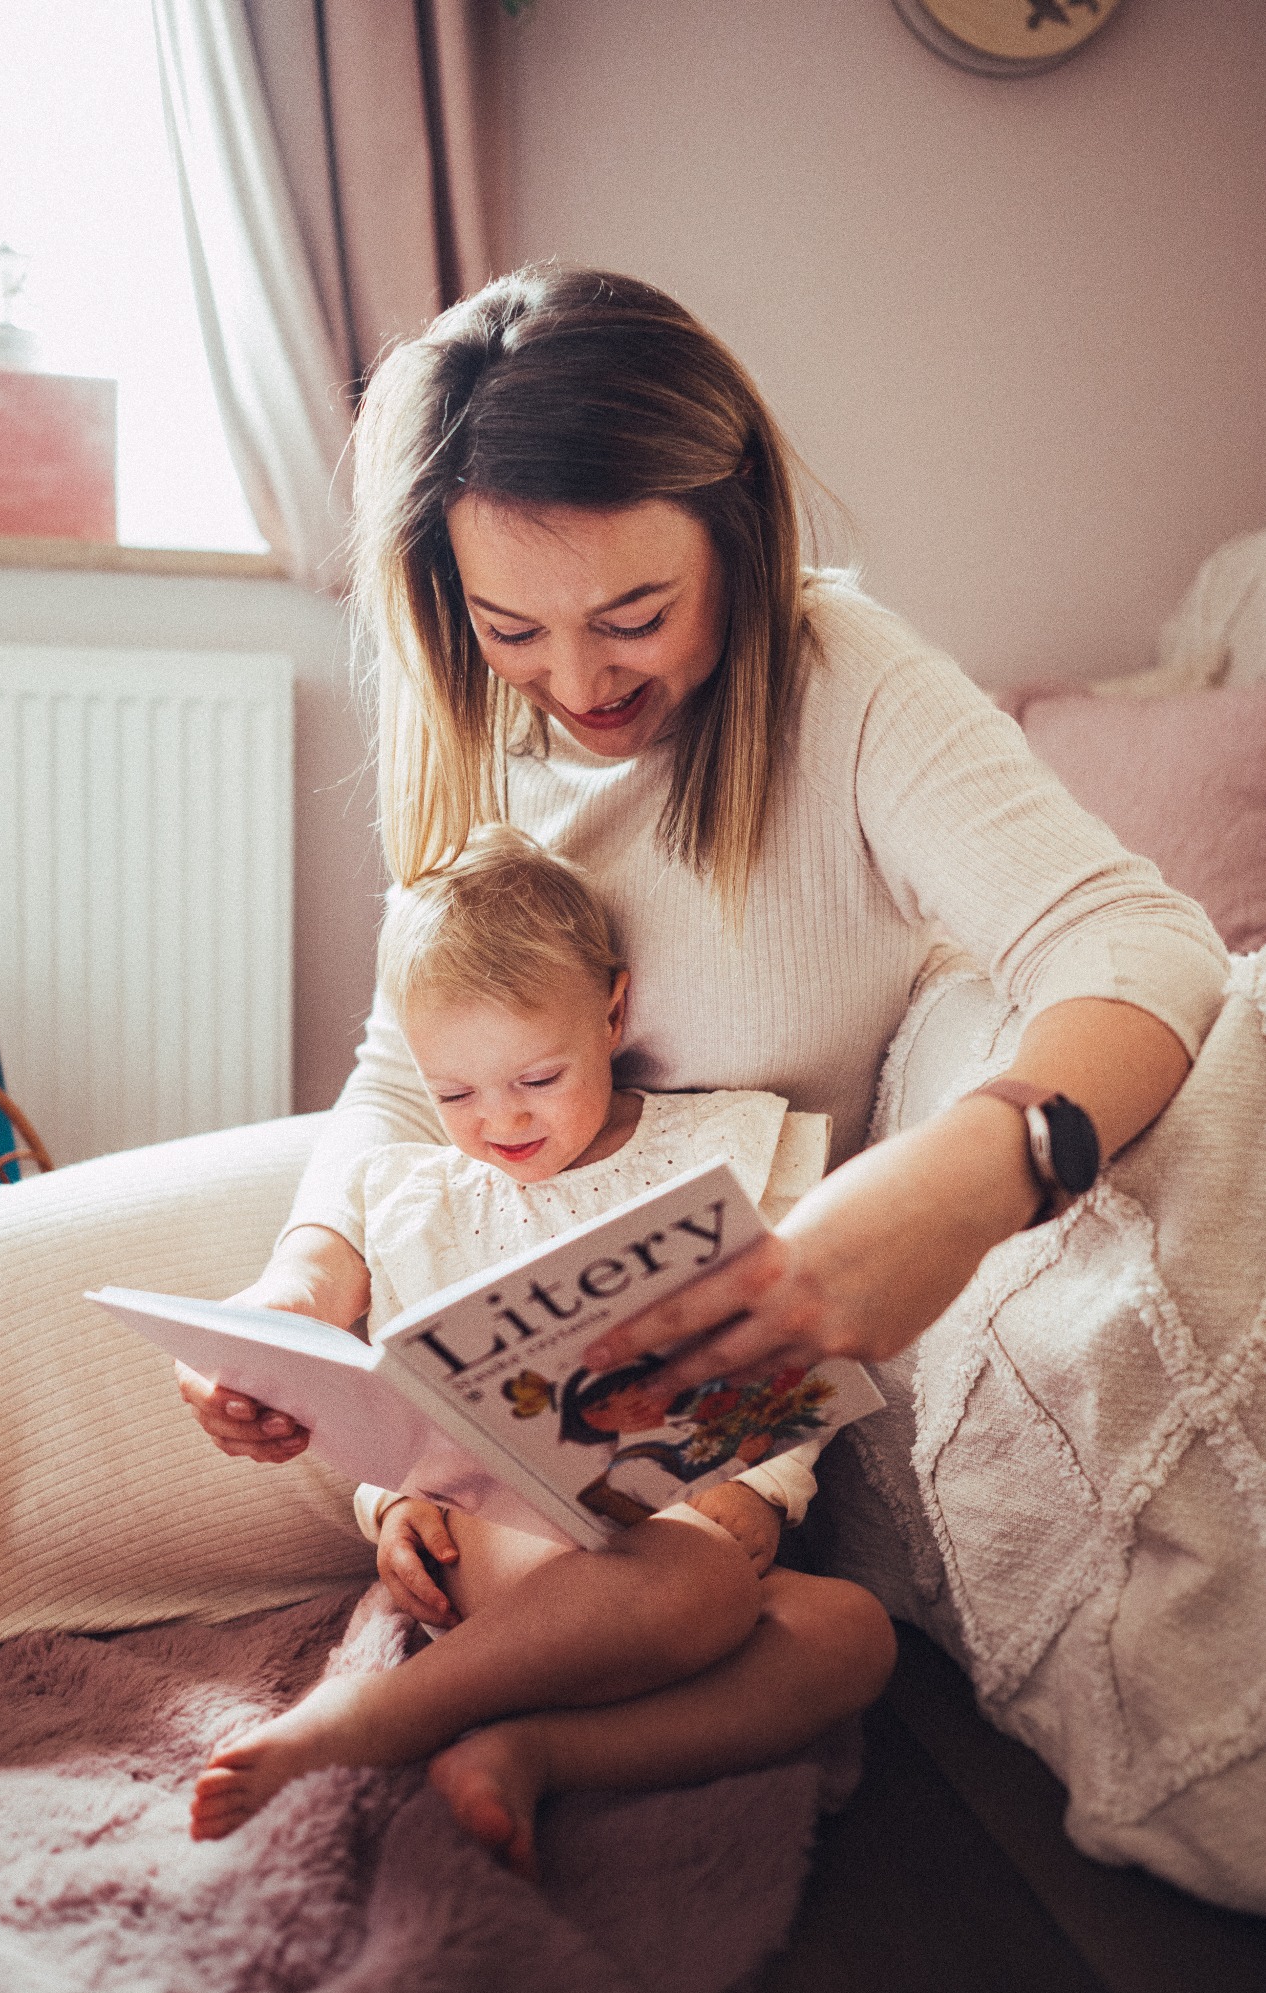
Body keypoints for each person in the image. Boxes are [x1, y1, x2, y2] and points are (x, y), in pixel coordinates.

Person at [178, 264, 1227, 1853]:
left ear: (734, 530)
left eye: (635, 617)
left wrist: (976, 1166)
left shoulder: (846, 684)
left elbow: (1141, 943)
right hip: (472, 1249)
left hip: (701, 1375)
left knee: (773, 1624)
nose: (582, 687)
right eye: (513, 629)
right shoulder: (473, 718)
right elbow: (407, 1065)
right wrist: (302, 1279)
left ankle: (430, 1723)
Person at [190, 826, 890, 1865]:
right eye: (454, 1093)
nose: (498, 1121)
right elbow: (400, 1399)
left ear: (612, 1013)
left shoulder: (726, 1148)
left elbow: (785, 1349)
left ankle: (534, 1749)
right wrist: (392, 1512)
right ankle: (392, 1712)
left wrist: (764, 1489)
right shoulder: (421, 1199)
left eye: (537, 1076)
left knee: (850, 1633)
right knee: (693, 1587)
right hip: (504, 1547)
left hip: (694, 1532)